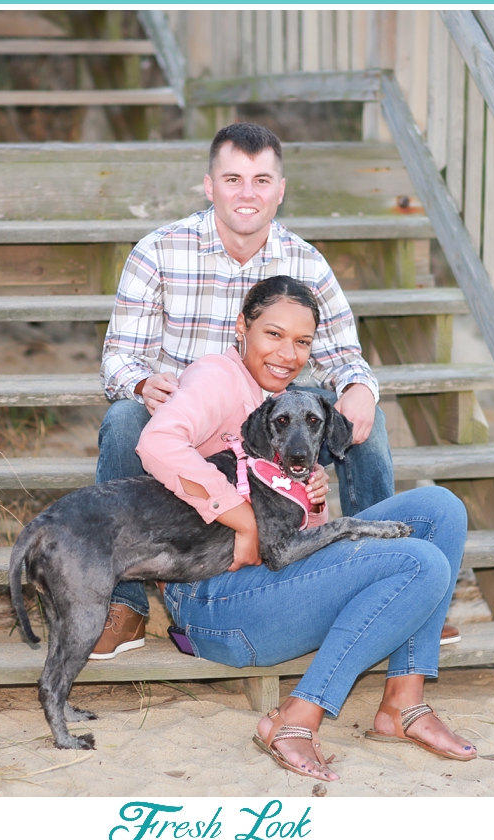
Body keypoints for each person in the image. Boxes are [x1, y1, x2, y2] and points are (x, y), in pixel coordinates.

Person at [136, 276, 475, 780]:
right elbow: (157, 443)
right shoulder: (215, 377)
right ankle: (298, 718)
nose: (287, 353)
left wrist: (311, 500)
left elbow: (290, 533)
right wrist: (239, 516)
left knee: (440, 509)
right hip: (213, 599)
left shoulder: (293, 402)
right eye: (273, 335)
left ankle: (402, 703)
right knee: (420, 564)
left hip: (270, 578)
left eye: (302, 341)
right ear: (241, 330)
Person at [92, 122, 396, 658]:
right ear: (210, 186)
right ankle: (125, 601)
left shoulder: (306, 263)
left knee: (363, 422)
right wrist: (142, 381)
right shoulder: (158, 251)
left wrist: (359, 389)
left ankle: (384, 579)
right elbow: (117, 357)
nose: (247, 193)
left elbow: (345, 358)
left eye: (261, 180)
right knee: (123, 420)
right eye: (233, 179)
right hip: (191, 414)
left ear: (280, 189)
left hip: (273, 417)